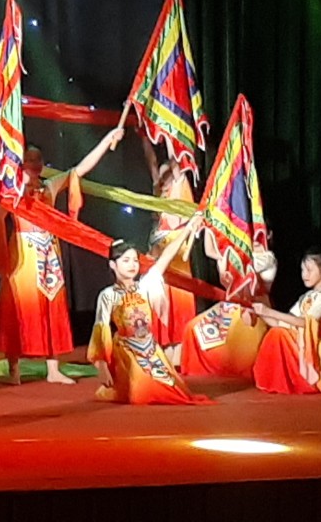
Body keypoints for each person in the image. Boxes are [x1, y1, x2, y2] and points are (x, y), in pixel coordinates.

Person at [0, 128, 126, 385]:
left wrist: (107, 139)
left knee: (52, 308)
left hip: (48, 256)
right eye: (29, 160)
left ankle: (53, 369)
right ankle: (14, 368)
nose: (34, 164)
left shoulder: (49, 187)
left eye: (38, 160)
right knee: (17, 309)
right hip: (23, 257)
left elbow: (79, 170)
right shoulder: (13, 192)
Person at [88, 216, 211, 404]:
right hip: (126, 352)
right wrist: (102, 366)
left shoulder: (145, 285)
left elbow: (167, 256)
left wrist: (187, 229)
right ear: (113, 265)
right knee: (142, 393)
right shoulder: (108, 295)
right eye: (126, 260)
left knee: (174, 391)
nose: (132, 265)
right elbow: (101, 329)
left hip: (150, 349)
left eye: (135, 260)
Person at [179, 234, 277, 379]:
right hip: (231, 305)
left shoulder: (267, 257)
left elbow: (246, 268)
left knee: (231, 346)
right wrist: (208, 227)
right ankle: (199, 375)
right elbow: (210, 251)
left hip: (255, 307)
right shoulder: (232, 252)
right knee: (192, 328)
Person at [251, 247, 321, 395]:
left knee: (278, 334)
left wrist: (268, 311)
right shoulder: (305, 297)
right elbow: (283, 323)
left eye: (309, 270)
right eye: (302, 270)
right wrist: (260, 312)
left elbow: (305, 323)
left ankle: (305, 379)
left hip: (317, 346)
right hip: (302, 342)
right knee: (277, 333)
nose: (304, 275)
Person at [141, 137, 198, 366]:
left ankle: (178, 358)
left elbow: (176, 164)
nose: (163, 180)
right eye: (161, 177)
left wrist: (170, 134)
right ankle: (166, 357)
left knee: (180, 307)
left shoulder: (180, 191)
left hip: (177, 260)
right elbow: (152, 164)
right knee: (162, 307)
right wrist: (144, 137)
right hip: (159, 260)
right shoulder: (159, 197)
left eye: (168, 176)